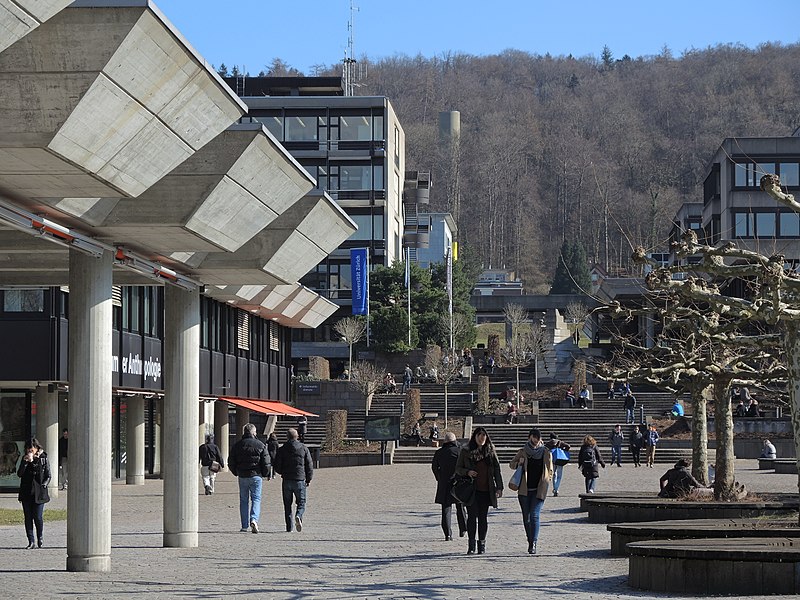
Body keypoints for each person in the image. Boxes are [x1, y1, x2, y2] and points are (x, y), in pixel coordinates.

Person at [456, 427, 503, 555]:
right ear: (475, 437)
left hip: (486, 490)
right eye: (479, 435)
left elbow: (497, 470)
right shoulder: (466, 451)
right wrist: (468, 472)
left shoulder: (490, 451)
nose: (482, 438)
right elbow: (458, 469)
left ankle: (481, 544)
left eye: (484, 435)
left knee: (483, 518)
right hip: (472, 490)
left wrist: (499, 487)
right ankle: (471, 545)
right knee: (472, 517)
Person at [510, 428, 553, 555]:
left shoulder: (545, 452)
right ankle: (530, 540)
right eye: (534, 437)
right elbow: (511, 464)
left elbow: (550, 469)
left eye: (538, 437)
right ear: (529, 437)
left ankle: (533, 542)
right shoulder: (523, 452)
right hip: (524, 490)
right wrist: (519, 463)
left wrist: (547, 480)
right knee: (526, 518)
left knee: (534, 515)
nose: (536, 440)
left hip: (539, 490)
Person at [228, 423, 271, 534]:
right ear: (253, 432)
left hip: (242, 475)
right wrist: (265, 473)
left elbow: (231, 461)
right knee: (256, 499)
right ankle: (254, 519)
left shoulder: (238, 445)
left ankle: (244, 525)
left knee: (243, 500)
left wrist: (235, 472)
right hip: (256, 475)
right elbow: (266, 462)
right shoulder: (260, 445)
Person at [273, 428, 313, 533]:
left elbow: (277, 465)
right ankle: (298, 515)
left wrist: (282, 472)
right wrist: (309, 478)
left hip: (286, 479)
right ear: (297, 436)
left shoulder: (282, 449)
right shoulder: (303, 448)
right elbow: (309, 465)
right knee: (301, 502)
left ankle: (289, 527)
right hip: (299, 479)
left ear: (287, 437)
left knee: (287, 504)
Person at [431, 431, 466, 541]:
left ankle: (448, 534)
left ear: (445, 441)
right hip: (458, 482)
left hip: (444, 483)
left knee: (446, 509)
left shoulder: (439, 452)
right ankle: (463, 528)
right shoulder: (459, 451)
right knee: (460, 507)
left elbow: (434, 467)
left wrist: (439, 477)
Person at [17, 437, 51, 549]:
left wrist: (44, 485)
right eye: (28, 450)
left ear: (37, 448)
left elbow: (48, 475)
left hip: (39, 493)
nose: (29, 452)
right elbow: (20, 474)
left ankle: (40, 537)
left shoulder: (43, 458)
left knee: (38, 517)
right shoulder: (24, 459)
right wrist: (26, 463)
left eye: (31, 450)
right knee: (28, 517)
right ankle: (31, 541)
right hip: (26, 492)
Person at [544, 433, 570, 497]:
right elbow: (568, 446)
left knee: (554, 474)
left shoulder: (548, 443)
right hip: (560, 459)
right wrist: (563, 450)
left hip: (552, 460)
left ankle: (555, 488)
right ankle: (556, 488)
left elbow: (544, 450)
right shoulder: (560, 442)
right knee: (559, 475)